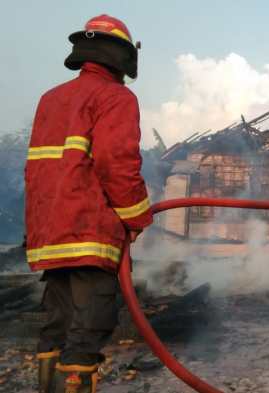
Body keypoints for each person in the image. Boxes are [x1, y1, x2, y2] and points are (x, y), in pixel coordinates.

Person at [25, 15, 152, 393]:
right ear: (123, 56)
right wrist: (138, 215)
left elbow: (37, 172)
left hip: (50, 231)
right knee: (89, 325)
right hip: (88, 229)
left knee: (56, 325)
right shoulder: (115, 97)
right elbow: (116, 162)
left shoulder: (51, 99)